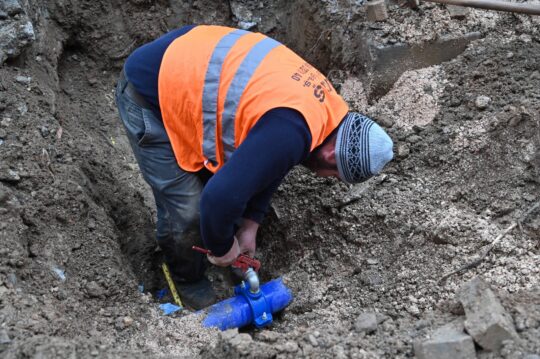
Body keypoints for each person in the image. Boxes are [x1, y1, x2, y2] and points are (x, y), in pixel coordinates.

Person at [115, 25, 393, 310]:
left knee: (226, 198)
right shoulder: (292, 129)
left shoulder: (325, 113)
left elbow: (274, 161)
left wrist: (251, 223)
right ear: (333, 153)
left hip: (194, 69)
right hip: (150, 90)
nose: (325, 176)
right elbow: (217, 199)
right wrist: (222, 250)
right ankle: (187, 280)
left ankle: (215, 245)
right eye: (335, 173)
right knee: (188, 212)